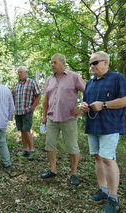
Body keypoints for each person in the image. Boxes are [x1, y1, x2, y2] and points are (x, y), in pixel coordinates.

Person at [81, 51, 126, 213]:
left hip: (110, 126)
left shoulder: (118, 78)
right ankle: (103, 190)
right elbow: (85, 100)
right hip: (92, 126)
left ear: (106, 62)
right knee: (97, 157)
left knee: (108, 159)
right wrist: (84, 106)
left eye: (95, 63)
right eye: (90, 64)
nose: (92, 66)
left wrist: (104, 105)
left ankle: (113, 199)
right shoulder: (90, 82)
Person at [41, 53, 85, 186]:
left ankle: (74, 174)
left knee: (72, 147)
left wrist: (81, 109)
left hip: (69, 118)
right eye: (51, 63)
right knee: (49, 145)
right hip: (52, 118)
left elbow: (88, 92)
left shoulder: (74, 77)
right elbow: (46, 100)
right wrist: (44, 116)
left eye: (54, 62)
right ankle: (52, 170)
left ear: (63, 63)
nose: (52, 65)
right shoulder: (49, 79)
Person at [12, 66, 41, 160]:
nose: (19, 74)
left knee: (27, 130)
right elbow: (12, 97)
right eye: (18, 72)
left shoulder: (32, 82)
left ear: (26, 72)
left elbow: (38, 95)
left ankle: (32, 151)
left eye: (21, 72)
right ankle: (25, 150)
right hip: (18, 111)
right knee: (22, 130)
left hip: (27, 111)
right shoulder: (16, 84)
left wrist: (33, 107)